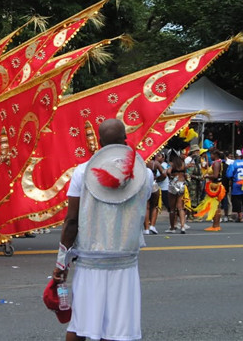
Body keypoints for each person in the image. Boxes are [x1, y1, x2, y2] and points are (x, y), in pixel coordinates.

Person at [52, 119, 152, 341]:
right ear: (125, 140)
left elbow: (71, 221)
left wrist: (61, 263)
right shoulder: (146, 174)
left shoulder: (81, 172)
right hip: (124, 261)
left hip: (90, 260)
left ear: (98, 142)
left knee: (79, 324)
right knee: (115, 329)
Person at [194, 149, 226, 231]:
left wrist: (206, 176)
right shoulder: (217, 162)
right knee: (216, 205)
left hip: (215, 186)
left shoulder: (216, 163)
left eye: (211, 154)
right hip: (216, 185)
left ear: (215, 155)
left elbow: (215, 176)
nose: (210, 156)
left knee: (215, 206)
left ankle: (215, 225)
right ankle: (216, 225)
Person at [227, 150, 243, 223]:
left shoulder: (233, 163)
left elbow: (229, 174)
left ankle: (240, 217)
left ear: (235, 156)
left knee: (237, 200)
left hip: (237, 184)